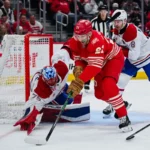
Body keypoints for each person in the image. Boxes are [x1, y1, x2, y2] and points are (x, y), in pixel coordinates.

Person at [56, 19, 132, 132]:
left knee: (108, 85)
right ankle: (121, 103)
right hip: (100, 62)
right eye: (77, 36)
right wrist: (79, 70)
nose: (80, 39)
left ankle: (124, 117)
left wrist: (79, 81)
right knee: (99, 94)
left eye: (83, 36)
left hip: (113, 59)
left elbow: (95, 67)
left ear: (90, 33)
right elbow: (79, 59)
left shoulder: (97, 40)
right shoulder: (74, 42)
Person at [14, 59, 89, 135]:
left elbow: (58, 56)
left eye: (53, 79)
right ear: (44, 80)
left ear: (56, 73)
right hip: (52, 95)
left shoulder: (62, 68)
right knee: (69, 101)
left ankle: (63, 91)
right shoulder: (41, 89)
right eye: (49, 81)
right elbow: (34, 102)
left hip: (61, 87)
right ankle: (55, 101)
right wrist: (29, 118)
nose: (52, 82)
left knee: (71, 93)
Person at [102, 9, 150, 118]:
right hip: (133, 61)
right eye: (115, 22)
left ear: (124, 21)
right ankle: (114, 105)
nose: (116, 24)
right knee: (119, 82)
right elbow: (116, 43)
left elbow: (134, 55)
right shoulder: (117, 30)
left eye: (118, 21)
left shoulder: (131, 32)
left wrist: (117, 49)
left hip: (147, 57)